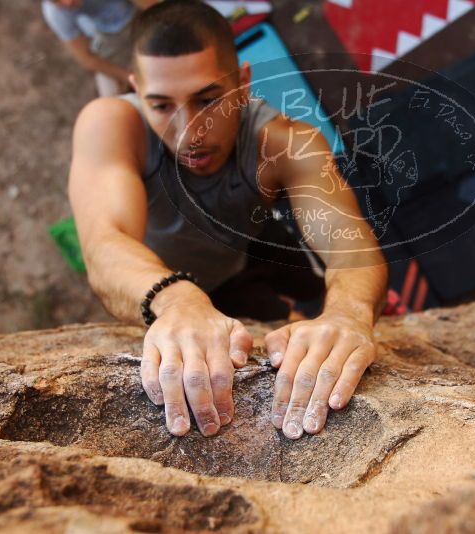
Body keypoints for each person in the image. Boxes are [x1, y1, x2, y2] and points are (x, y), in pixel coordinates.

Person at [67, 0, 388, 440]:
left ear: (242, 82)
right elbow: (104, 243)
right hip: (180, 284)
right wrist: (179, 301)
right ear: (136, 90)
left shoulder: (285, 141)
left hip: (254, 237)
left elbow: (347, 243)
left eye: (207, 100)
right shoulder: (111, 124)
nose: (189, 132)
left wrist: (349, 314)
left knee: (320, 294)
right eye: (160, 105)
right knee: (267, 327)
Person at [41, 0, 159, 96]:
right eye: (56, 1)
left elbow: (153, 8)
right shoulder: (54, 12)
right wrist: (129, 77)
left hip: (137, 12)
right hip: (106, 36)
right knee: (109, 98)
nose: (68, 3)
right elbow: (86, 58)